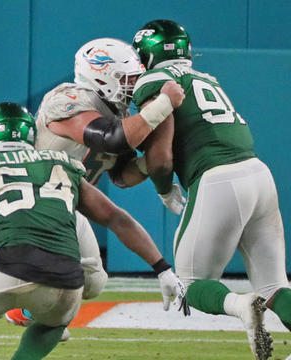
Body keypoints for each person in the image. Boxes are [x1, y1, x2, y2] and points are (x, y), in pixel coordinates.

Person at [0, 38, 189, 359]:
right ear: (101, 75)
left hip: (65, 212)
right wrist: (162, 105)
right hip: (24, 209)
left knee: (92, 282)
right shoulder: (71, 99)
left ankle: (28, 313)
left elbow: (122, 176)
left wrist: (155, 160)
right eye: (127, 78)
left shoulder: (114, 113)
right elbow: (112, 138)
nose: (133, 86)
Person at [132, 19, 289, 360]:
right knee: (276, 285)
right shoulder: (206, 78)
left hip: (218, 178)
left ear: (147, 54)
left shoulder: (154, 80)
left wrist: (163, 187)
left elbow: (160, 158)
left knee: (189, 282)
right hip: (258, 173)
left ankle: (242, 305)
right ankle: (256, 301)